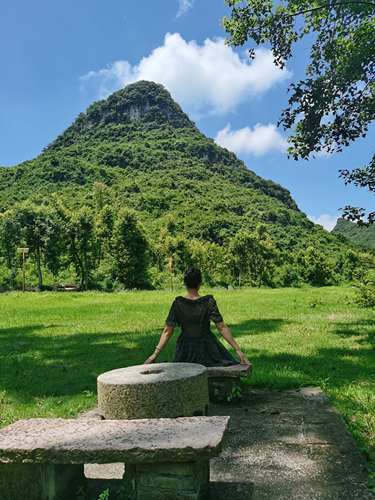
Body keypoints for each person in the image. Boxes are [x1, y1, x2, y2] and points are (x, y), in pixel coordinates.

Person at [144, 267, 250, 366]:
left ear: (185, 283)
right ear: (200, 283)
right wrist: (238, 350)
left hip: (185, 352)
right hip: (208, 350)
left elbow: (168, 331)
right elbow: (221, 327)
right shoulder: (208, 302)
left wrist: (155, 354)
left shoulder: (178, 303)